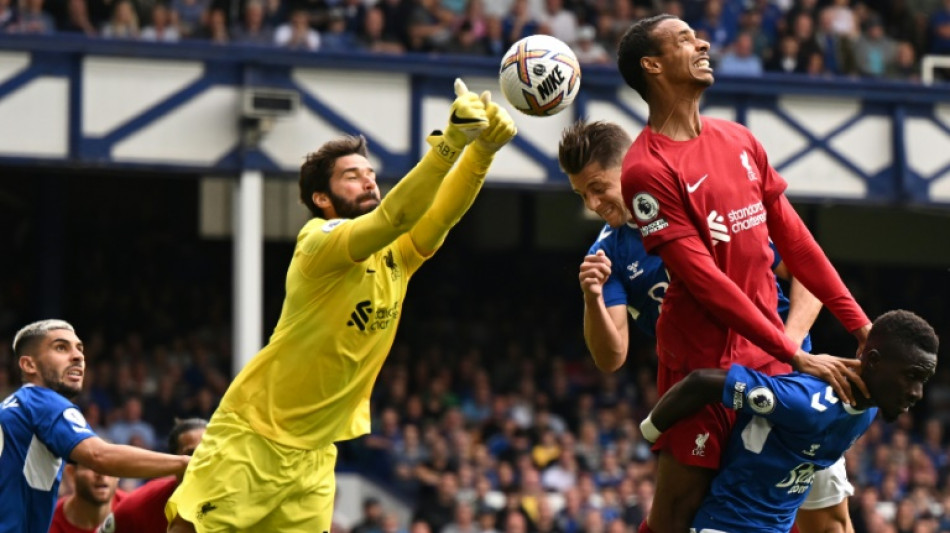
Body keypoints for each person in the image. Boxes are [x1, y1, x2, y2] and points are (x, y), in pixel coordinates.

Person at [166, 79, 517, 533]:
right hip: (255, 434)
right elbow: (397, 215)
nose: (368, 178)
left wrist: (482, 152)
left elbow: (441, 213)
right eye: (352, 176)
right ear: (322, 199)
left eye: (370, 172)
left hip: (316, 454)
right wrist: (451, 144)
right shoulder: (319, 241)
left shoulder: (397, 255)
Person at [615, 14, 872, 533]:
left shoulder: (739, 139)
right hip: (703, 367)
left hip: (771, 359)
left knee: (822, 519)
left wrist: (864, 328)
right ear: (652, 64)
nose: (703, 41)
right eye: (685, 38)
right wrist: (795, 352)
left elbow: (797, 243)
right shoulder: (646, 170)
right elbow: (704, 280)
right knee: (673, 517)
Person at [558, 119, 852, 532]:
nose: (591, 203)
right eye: (581, 194)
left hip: (787, 381)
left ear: (629, 167)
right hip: (709, 391)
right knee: (679, 516)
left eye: (597, 187)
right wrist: (592, 300)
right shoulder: (609, 254)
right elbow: (612, 356)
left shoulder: (703, 202)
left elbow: (808, 274)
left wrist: (787, 349)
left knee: (828, 524)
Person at [638, 309, 939, 533]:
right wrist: (651, 430)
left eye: (923, 381)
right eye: (911, 376)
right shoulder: (805, 401)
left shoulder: (867, 411)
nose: (916, 393)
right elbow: (702, 382)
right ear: (873, 361)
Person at [0, 319, 190, 533]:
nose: (78, 356)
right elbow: (99, 456)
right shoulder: (42, 401)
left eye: (80, 349)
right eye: (61, 347)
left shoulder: (12, 407)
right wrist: (186, 463)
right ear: (29, 364)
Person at [98, 418, 208, 533]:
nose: (202, 461)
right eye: (191, 454)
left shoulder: (228, 501)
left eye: (207, 452)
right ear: (174, 461)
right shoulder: (138, 506)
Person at [48, 463, 126, 533]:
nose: (102, 474)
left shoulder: (132, 511)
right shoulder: (48, 522)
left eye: (109, 466)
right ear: (71, 473)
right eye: (91, 466)